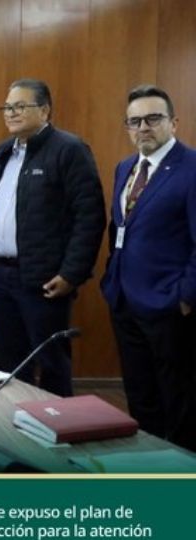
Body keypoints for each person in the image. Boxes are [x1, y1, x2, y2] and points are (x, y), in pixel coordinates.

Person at [0, 79, 105, 396]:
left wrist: (71, 274)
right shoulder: (3, 151)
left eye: (20, 106)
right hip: (2, 276)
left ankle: (57, 435)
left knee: (51, 364)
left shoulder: (69, 149)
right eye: (7, 107)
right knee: (9, 364)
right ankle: (14, 432)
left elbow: (90, 217)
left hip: (44, 279)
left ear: (45, 110)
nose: (11, 113)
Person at [101, 85, 196, 451]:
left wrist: (185, 297)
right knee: (140, 396)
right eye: (135, 121)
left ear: (173, 122)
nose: (143, 127)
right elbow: (119, 229)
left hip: (170, 306)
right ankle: (148, 465)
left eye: (153, 119)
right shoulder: (126, 167)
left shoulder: (190, 169)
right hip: (124, 299)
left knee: (179, 399)